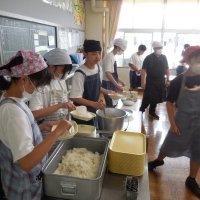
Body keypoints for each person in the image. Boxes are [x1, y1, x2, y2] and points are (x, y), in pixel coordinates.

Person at [0, 50, 72, 199]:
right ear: (24, 80)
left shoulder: (16, 101)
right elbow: (26, 162)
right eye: (37, 85)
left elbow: (16, 136)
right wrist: (56, 132)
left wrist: (41, 127)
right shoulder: (12, 112)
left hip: (30, 181)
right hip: (22, 187)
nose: (38, 89)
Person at [148, 46, 200, 198]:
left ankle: (191, 179)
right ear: (188, 60)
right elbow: (170, 103)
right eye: (196, 58)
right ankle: (158, 160)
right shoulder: (179, 80)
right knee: (171, 142)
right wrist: (173, 123)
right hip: (182, 119)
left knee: (198, 150)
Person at [29, 48, 76, 122]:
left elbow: (63, 107)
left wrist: (68, 108)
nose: (63, 72)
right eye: (62, 69)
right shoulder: (40, 86)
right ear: (51, 66)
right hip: (47, 131)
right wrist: (60, 105)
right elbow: (34, 114)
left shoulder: (61, 81)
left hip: (61, 126)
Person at [70, 40, 109, 126]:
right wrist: (94, 104)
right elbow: (75, 97)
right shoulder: (80, 73)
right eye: (94, 54)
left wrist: (101, 97)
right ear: (85, 54)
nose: (98, 57)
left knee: (94, 132)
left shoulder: (99, 68)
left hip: (93, 110)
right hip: (81, 113)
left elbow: (96, 87)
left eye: (99, 53)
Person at [139, 41, 169, 120]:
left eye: (161, 48)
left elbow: (167, 69)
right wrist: (142, 82)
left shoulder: (164, 57)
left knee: (156, 97)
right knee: (148, 96)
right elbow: (143, 70)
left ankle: (152, 112)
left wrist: (168, 80)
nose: (160, 49)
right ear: (154, 48)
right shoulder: (148, 58)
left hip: (161, 81)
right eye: (158, 48)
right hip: (151, 80)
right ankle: (142, 108)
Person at [102, 38, 127, 107]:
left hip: (111, 83)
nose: (122, 51)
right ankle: (109, 117)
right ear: (118, 48)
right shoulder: (109, 57)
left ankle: (112, 115)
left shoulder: (112, 56)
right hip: (107, 84)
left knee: (114, 103)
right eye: (123, 50)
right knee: (110, 104)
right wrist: (117, 85)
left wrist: (120, 81)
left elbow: (113, 73)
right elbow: (108, 73)